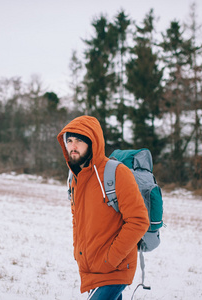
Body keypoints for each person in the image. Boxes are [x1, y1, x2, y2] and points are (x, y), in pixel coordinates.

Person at [57, 115, 150, 300]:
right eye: (69, 141)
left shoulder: (116, 172)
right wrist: (79, 252)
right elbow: (78, 220)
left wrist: (111, 258)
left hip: (114, 268)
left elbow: (139, 221)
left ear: (92, 143)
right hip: (93, 268)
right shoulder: (75, 177)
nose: (73, 146)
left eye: (79, 141)